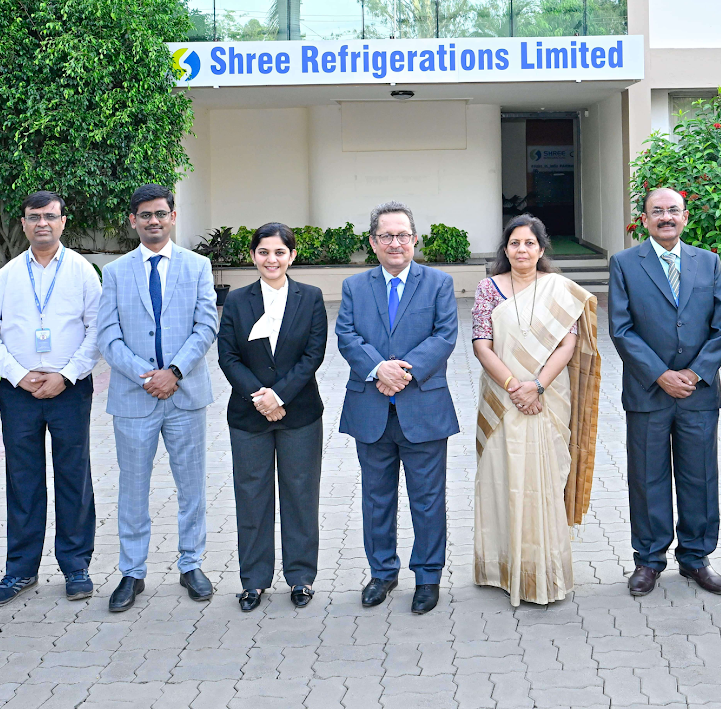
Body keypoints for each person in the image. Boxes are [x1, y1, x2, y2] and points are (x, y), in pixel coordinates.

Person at [0, 190, 102, 606]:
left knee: (73, 476)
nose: (42, 223)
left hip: (70, 390)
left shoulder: (82, 271)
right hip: (20, 393)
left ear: (63, 221)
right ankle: (20, 570)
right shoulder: (8, 275)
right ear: (24, 224)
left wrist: (66, 375)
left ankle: (76, 566)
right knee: (22, 479)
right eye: (34, 217)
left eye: (49, 216)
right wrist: (17, 374)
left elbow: (98, 329)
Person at [608, 187, 721, 597]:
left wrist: (696, 373)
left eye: (673, 210)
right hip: (648, 390)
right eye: (657, 211)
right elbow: (621, 329)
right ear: (644, 219)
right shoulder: (625, 264)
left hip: (698, 393)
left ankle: (696, 558)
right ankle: (648, 559)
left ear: (685, 217)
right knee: (648, 477)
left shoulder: (708, 262)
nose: (666, 217)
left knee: (700, 476)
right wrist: (661, 374)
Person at [96, 184, 219, 613]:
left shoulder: (198, 266)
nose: (154, 221)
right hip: (135, 397)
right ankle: (132, 571)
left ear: (173, 216)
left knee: (191, 486)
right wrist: (146, 375)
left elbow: (206, 325)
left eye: (161, 213)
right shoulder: (115, 272)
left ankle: (191, 564)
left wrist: (175, 372)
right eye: (145, 215)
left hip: (185, 394)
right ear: (133, 220)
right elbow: (107, 335)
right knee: (133, 488)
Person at [470, 214, 601, 606]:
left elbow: (567, 343)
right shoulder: (489, 288)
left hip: (548, 398)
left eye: (529, 243)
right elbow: (481, 344)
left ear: (541, 249)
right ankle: (502, 568)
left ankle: (544, 569)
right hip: (502, 399)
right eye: (515, 243)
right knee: (502, 478)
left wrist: (537, 385)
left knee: (544, 482)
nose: (522, 250)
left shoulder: (559, 288)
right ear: (505, 249)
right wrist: (515, 386)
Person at [336, 201, 459, 615]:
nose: (395, 243)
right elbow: (347, 335)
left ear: (415, 239)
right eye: (386, 236)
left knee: (427, 500)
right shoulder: (354, 286)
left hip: (423, 408)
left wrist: (402, 372)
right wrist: (378, 369)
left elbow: (444, 336)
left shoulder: (438, 283)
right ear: (373, 242)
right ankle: (382, 572)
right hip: (371, 410)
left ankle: (427, 576)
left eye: (402, 235)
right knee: (376, 499)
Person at [217, 223, 329, 611]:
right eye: (263, 252)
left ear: (292, 256)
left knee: (301, 495)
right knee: (252, 497)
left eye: (280, 252)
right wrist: (260, 397)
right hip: (249, 416)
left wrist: (279, 396)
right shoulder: (237, 300)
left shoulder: (310, 297)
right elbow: (227, 355)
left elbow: (313, 354)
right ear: (253, 256)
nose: (272, 259)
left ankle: (301, 577)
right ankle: (253, 581)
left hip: (300, 413)